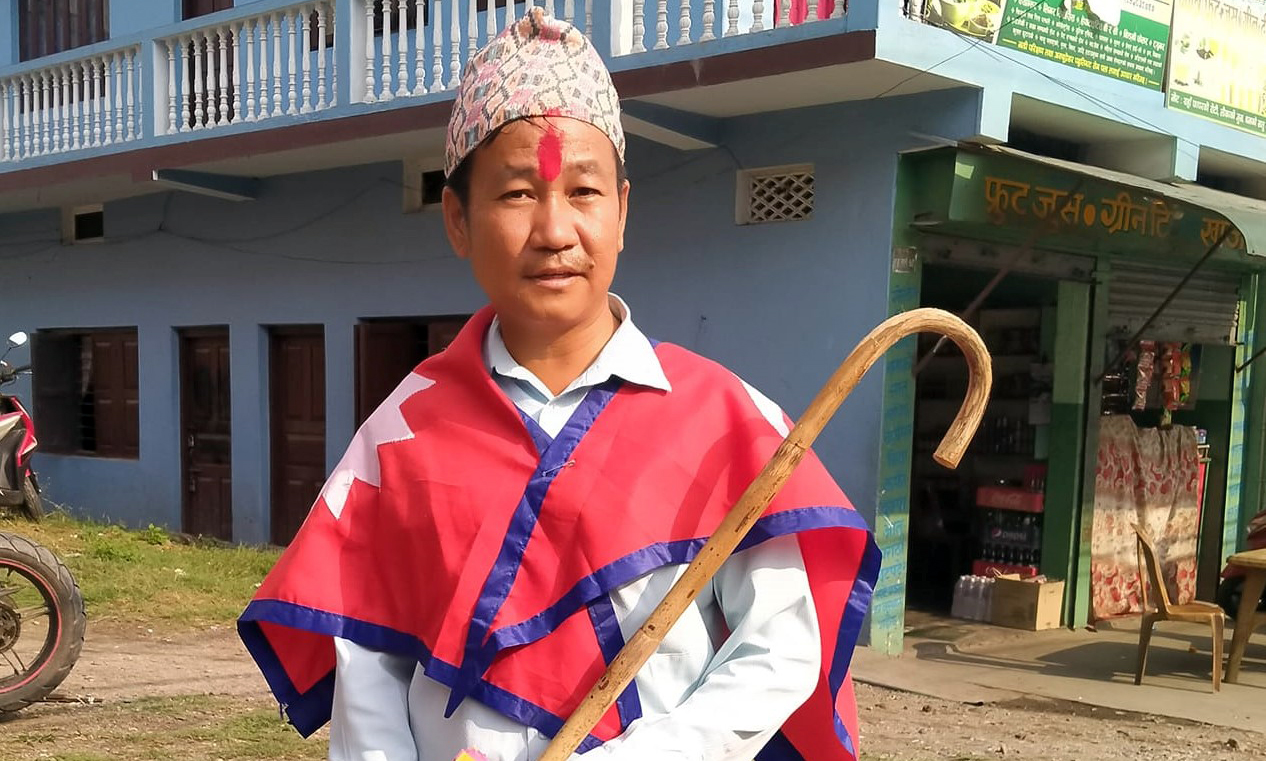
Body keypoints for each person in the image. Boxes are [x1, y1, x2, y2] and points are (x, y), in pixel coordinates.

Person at [238, 9, 877, 761]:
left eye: (584, 192)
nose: (554, 231)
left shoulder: (727, 423)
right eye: (516, 194)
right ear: (457, 219)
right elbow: (368, 666)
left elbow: (780, 650)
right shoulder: (400, 435)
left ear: (622, 212)